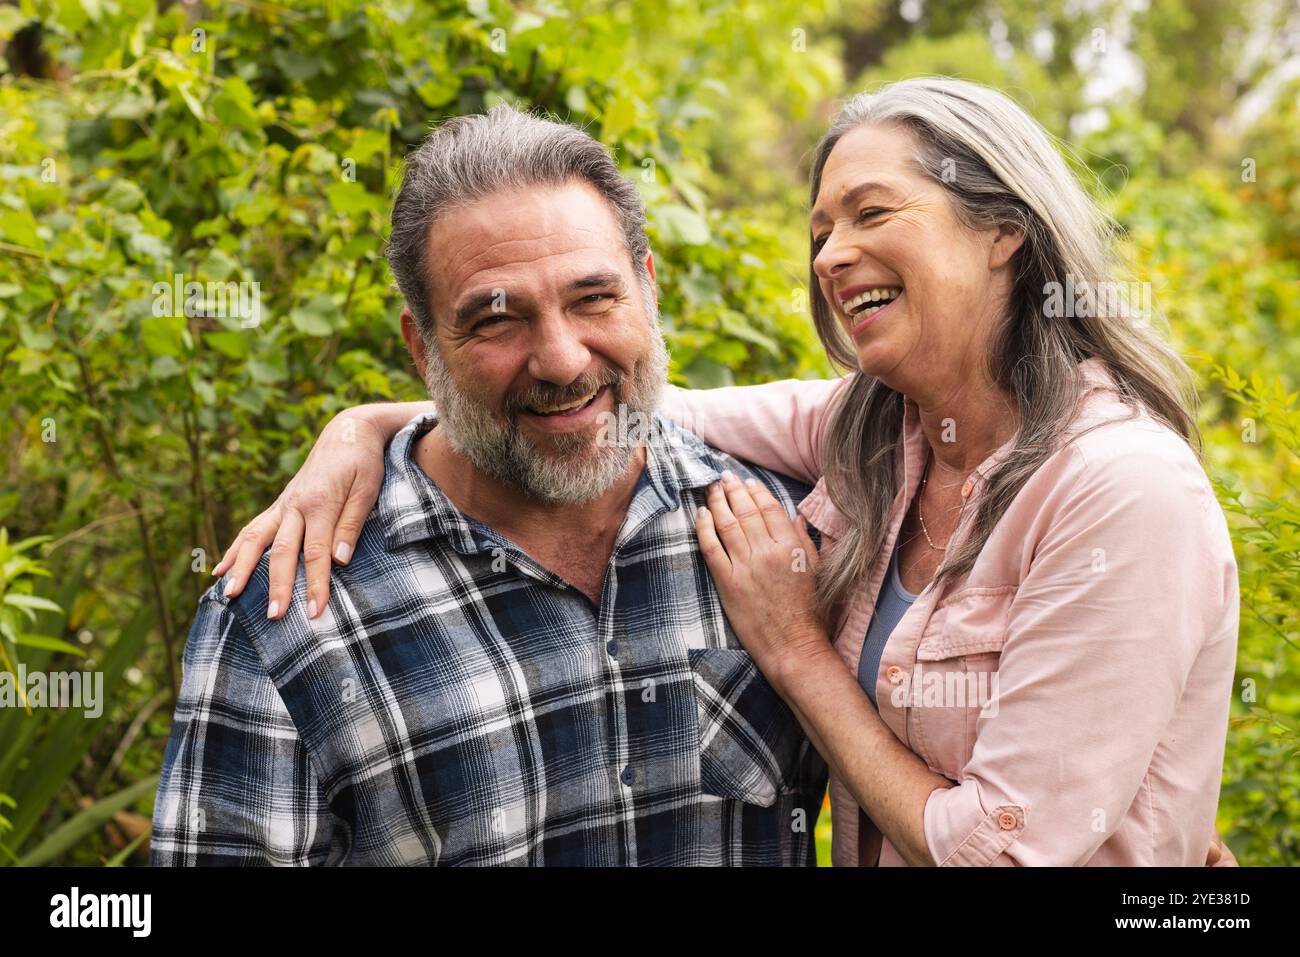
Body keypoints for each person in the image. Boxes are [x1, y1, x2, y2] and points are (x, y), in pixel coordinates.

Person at [215, 80, 1240, 867]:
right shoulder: (880, 435)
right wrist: (367, 427)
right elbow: (611, 408)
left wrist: (795, 647)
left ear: (1005, 231)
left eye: (873, 214)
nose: (833, 254)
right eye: (821, 229)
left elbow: (1008, 850)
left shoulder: (1119, 489)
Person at [150, 106, 827, 866]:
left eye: (592, 298)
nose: (563, 360)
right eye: (497, 321)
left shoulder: (790, 527)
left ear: (649, 290)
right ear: (422, 347)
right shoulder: (289, 615)